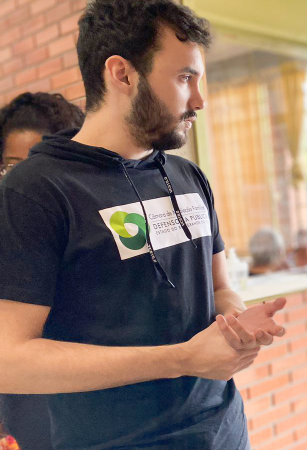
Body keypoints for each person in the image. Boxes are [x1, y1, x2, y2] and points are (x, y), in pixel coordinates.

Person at [0, 1, 286, 449]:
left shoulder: (189, 176)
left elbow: (220, 287)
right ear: (123, 74)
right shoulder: (34, 192)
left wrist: (234, 324)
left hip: (223, 431)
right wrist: (182, 360)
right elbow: (9, 360)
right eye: (184, 77)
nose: (199, 100)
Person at [0, 92, 85, 450]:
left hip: (81, 403)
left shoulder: (82, 227)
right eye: (9, 165)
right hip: (21, 409)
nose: (20, 179)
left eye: (31, 163)